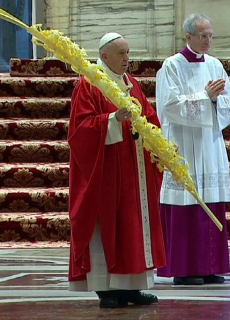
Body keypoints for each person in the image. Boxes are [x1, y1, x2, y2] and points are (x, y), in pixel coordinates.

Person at [68, 32, 166, 308]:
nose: (127, 59)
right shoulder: (89, 85)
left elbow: (148, 117)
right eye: (121, 54)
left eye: (128, 53)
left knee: (131, 226)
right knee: (108, 226)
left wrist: (159, 144)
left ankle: (131, 287)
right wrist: (111, 119)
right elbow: (80, 129)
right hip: (106, 173)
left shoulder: (130, 83)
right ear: (104, 56)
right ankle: (105, 287)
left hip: (133, 172)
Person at [155, 14, 230, 285]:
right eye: (203, 36)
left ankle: (210, 266)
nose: (208, 41)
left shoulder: (215, 65)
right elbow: (169, 106)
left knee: (210, 202)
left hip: (209, 143)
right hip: (184, 144)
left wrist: (215, 102)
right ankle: (184, 269)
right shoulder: (172, 66)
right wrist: (205, 97)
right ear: (188, 37)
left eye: (211, 35)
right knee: (186, 204)